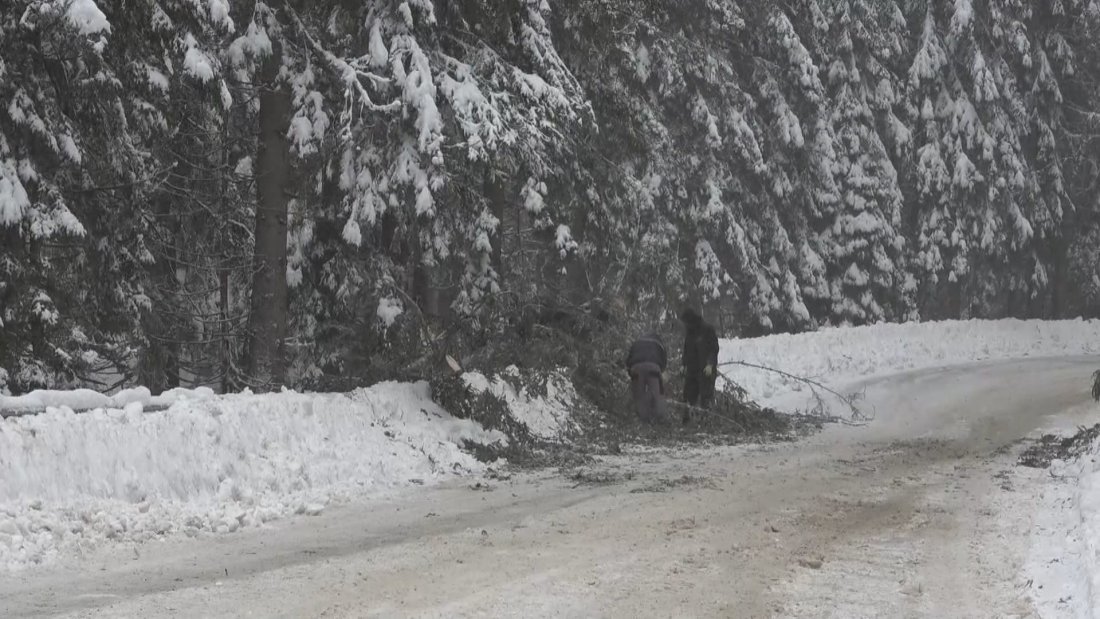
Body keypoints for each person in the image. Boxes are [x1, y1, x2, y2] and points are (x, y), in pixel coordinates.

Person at [680, 307, 719, 410]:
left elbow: (714, 349)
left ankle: (707, 421)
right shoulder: (689, 332)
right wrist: (683, 364)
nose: (685, 325)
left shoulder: (707, 330)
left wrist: (710, 364)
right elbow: (686, 349)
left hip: (706, 370)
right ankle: (688, 420)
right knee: (688, 396)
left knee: (706, 398)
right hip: (692, 370)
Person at [624, 332, 668, 423]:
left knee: (639, 394)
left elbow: (628, 360)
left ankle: (643, 420)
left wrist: (631, 373)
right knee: (658, 393)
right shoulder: (659, 344)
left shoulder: (637, 342)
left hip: (636, 367)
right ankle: (660, 419)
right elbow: (664, 362)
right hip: (654, 368)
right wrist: (660, 372)